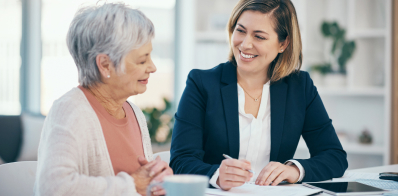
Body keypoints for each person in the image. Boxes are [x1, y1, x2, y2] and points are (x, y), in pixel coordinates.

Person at [170, 0, 348, 191]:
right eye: (240, 31)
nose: (245, 44)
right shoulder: (201, 83)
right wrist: (216, 175)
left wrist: (295, 170)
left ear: (283, 43)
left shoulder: (300, 87)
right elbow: (181, 160)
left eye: (259, 37)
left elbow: (334, 156)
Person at [34, 3, 172, 196]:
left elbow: (140, 186)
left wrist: (155, 180)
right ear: (105, 65)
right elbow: (53, 188)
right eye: (142, 60)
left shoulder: (135, 113)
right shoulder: (70, 110)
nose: (152, 67)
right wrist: (133, 184)